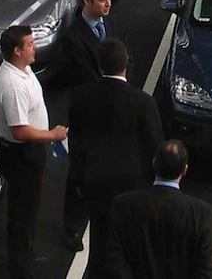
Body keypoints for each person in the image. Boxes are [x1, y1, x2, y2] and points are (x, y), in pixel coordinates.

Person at [67, 39, 164, 278]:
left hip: (95, 183)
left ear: (100, 66)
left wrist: (79, 181)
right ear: (126, 64)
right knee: (130, 245)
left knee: (99, 243)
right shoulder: (143, 102)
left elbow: (76, 144)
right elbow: (155, 146)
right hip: (133, 186)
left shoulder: (80, 97)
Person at [0, 25, 68, 279]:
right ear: (17, 51)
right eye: (30, 45)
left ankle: (26, 254)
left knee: (27, 208)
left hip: (26, 153)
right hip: (21, 154)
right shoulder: (12, 85)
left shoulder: (21, 69)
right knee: (22, 213)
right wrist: (52, 135)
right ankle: (21, 269)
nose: (34, 48)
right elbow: (20, 131)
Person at [58, 0, 126, 248]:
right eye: (102, 0)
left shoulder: (112, 24)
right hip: (87, 114)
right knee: (80, 173)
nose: (108, 4)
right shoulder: (73, 37)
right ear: (86, 1)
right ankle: (72, 227)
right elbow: (86, 76)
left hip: (112, 110)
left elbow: (123, 56)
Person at [107, 140, 212, 279]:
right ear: (185, 170)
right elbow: (205, 269)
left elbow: (114, 259)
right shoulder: (203, 213)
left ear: (154, 163)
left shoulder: (123, 205)